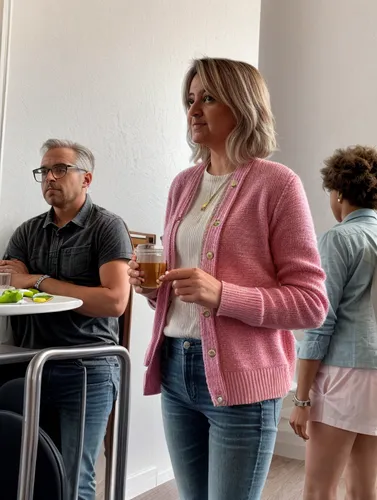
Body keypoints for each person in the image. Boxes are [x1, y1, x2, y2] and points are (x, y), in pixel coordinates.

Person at [128, 57, 328, 500]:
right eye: (190, 99)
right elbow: (184, 294)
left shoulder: (277, 184)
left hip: (243, 383)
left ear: (243, 105)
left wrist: (222, 294)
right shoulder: (183, 185)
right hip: (176, 371)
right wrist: (150, 291)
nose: (193, 109)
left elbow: (311, 303)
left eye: (209, 98)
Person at [0, 139, 132, 500]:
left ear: (86, 179)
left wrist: (37, 280)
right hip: (30, 364)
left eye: (60, 169)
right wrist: (27, 282)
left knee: (75, 479)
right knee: (27, 471)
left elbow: (114, 301)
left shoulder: (107, 227)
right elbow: (10, 286)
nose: (49, 177)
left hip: (87, 365)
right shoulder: (28, 231)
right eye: (44, 170)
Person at [290, 145, 377, 500]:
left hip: (344, 373)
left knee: (318, 488)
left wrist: (301, 398)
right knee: (364, 487)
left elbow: (320, 322)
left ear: (339, 192)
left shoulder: (339, 239)